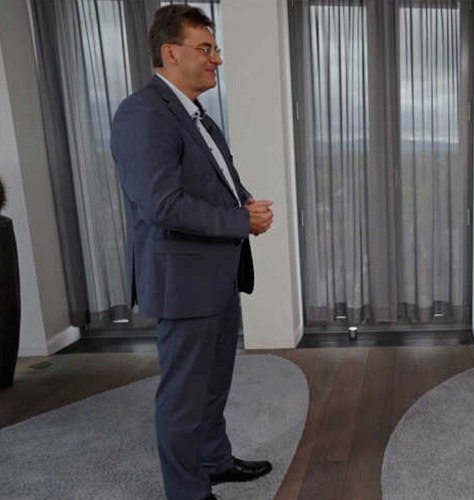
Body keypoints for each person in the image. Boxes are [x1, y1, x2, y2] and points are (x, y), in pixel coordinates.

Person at [110, 5, 274, 500]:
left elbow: (219, 182)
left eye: (215, 49)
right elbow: (161, 204)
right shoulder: (142, 113)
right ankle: (188, 493)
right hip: (182, 283)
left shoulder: (198, 116)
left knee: (213, 384)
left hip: (217, 276)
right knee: (183, 398)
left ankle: (214, 461)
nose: (216, 59)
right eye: (205, 48)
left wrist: (244, 202)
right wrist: (239, 222)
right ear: (170, 52)